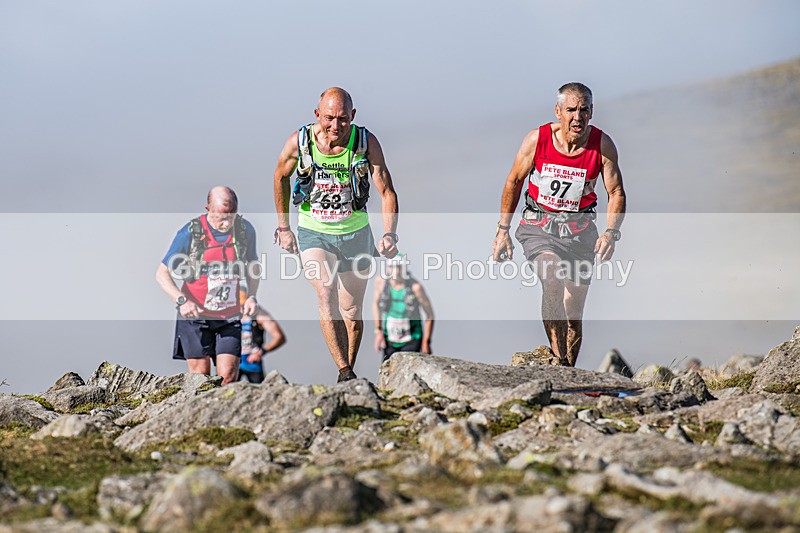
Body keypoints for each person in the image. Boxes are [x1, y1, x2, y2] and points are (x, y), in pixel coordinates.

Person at [492, 83, 627, 367]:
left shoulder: (602, 145)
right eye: (571, 110)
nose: (577, 117)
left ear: (592, 112)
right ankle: (558, 362)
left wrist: (611, 233)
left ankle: (568, 370)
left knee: (573, 314)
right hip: (538, 228)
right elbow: (514, 181)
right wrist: (503, 230)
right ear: (558, 111)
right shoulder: (537, 140)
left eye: (584, 110)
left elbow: (616, 192)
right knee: (551, 277)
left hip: (580, 235)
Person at [273, 87, 399, 383]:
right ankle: (344, 369)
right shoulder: (300, 142)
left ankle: (347, 376)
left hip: (355, 233)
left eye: (343, 119)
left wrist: (389, 234)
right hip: (314, 231)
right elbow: (280, 177)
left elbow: (387, 191)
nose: (335, 125)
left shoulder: (365, 143)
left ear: (352, 116)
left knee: (352, 312)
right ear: (317, 114)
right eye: (329, 118)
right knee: (325, 291)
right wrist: (284, 227)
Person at [156, 186, 260, 385]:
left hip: (229, 316)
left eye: (231, 216)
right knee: (200, 379)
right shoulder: (190, 233)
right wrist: (182, 301)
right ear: (208, 209)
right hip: (195, 317)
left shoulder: (244, 231)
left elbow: (253, 267)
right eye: (221, 217)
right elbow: (161, 274)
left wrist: (251, 296)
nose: (227, 223)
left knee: (228, 376)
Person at [373, 254, 435, 362]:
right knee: (388, 369)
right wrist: (378, 331)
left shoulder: (415, 288)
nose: (396, 271)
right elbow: (375, 304)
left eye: (399, 267)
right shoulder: (381, 283)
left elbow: (430, 314)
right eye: (392, 267)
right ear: (387, 267)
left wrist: (426, 341)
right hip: (390, 338)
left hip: (412, 338)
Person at [237, 288, 287, 383]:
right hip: (233, 362)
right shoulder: (227, 314)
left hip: (252, 363)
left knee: (259, 390)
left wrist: (261, 352)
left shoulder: (259, 315)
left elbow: (279, 337)